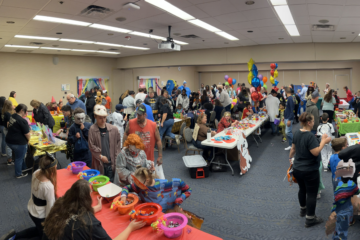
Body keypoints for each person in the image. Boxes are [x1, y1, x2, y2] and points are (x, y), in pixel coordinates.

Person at [41, 179, 145, 240]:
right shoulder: (90, 223)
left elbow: (73, 214)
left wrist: (95, 208)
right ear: (87, 198)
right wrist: (130, 228)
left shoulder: (61, 203)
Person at [289, 112, 331, 227]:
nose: (314, 123)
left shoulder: (297, 133)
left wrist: (290, 158)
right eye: (312, 121)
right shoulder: (309, 136)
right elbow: (316, 152)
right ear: (308, 122)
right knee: (312, 194)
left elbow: (293, 149)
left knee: (302, 189)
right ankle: (310, 218)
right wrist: (323, 141)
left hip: (298, 168)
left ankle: (303, 210)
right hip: (309, 170)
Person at [2, 154, 57, 240]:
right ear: (51, 170)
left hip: (32, 209)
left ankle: (14, 236)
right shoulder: (48, 186)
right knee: (43, 237)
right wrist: (50, 223)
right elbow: (50, 207)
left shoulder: (36, 173)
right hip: (40, 215)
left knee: (37, 229)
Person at [121, 166, 192, 214]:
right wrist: (124, 195)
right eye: (136, 182)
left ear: (147, 180)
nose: (137, 185)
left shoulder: (167, 185)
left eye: (139, 183)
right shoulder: (138, 186)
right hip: (149, 213)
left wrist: (181, 198)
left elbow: (188, 190)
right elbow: (126, 188)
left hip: (165, 213)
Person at [88, 105, 121, 182]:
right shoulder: (92, 129)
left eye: (104, 117)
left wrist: (116, 159)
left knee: (111, 184)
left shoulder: (114, 129)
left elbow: (118, 145)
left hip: (111, 164)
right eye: (100, 118)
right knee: (99, 184)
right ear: (95, 116)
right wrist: (101, 156)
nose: (103, 120)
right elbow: (91, 146)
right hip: (99, 164)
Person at [331, 160, 359, 239]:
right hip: (346, 211)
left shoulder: (339, 185)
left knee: (338, 226)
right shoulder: (352, 185)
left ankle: (335, 237)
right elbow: (357, 192)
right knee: (343, 229)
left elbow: (336, 199)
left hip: (338, 209)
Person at [6, 104, 30, 178]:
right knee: (19, 158)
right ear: (22, 110)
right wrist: (28, 141)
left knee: (20, 156)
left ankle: (24, 168)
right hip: (17, 143)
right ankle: (18, 174)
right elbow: (27, 134)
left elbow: (8, 125)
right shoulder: (22, 121)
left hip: (9, 140)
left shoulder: (12, 116)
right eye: (26, 111)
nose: (26, 113)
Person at [0, 99, 13, 165]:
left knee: (7, 143)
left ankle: (9, 158)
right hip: (7, 130)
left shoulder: (3, 111)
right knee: (9, 145)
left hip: (4, 128)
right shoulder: (8, 114)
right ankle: (9, 160)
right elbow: (8, 125)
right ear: (9, 105)